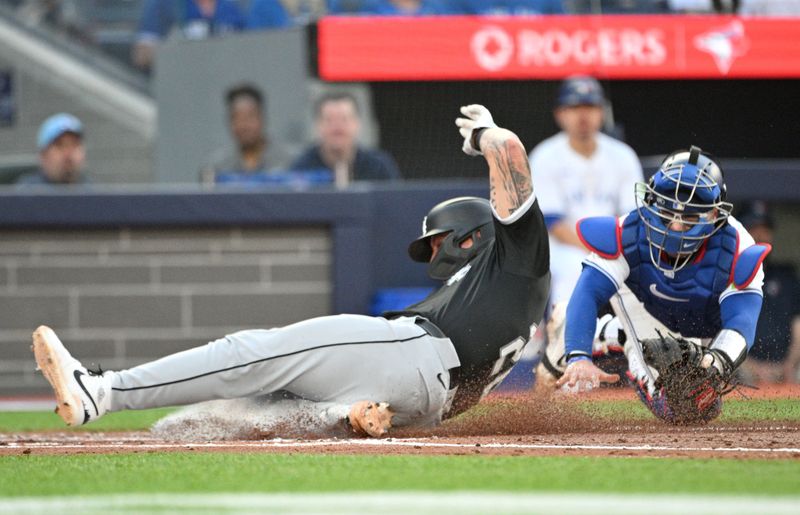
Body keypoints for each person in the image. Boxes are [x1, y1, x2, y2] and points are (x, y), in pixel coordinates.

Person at [32, 104, 550, 437]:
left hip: (412, 353)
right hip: (430, 401)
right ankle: (344, 415)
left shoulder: (514, 255)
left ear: (471, 233)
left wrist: (485, 132)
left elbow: (509, 153)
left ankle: (103, 390)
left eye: (438, 242)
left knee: (248, 353)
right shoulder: (509, 290)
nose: (434, 253)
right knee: (236, 417)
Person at [537, 146, 770, 424]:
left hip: (702, 322)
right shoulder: (628, 233)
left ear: (714, 216)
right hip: (643, 303)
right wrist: (578, 356)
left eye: (689, 217)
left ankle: (618, 335)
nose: (674, 226)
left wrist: (715, 363)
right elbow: (587, 293)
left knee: (703, 403)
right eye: (667, 212)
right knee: (680, 410)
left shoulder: (739, 250)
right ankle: (599, 334)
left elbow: (741, 323)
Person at [529, 76, 643, 307]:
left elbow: (634, 216)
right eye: (574, 107)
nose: (583, 116)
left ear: (602, 112)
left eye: (590, 107)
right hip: (562, 248)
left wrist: (614, 249)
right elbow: (553, 223)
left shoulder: (623, 155)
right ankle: (565, 341)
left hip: (615, 245)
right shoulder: (544, 156)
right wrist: (597, 250)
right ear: (560, 114)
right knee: (575, 268)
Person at [737, 202, 800, 384]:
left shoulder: (786, 276)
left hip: (789, 367)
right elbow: (715, 335)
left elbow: (798, 327)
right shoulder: (725, 278)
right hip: (743, 369)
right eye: (753, 229)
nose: (759, 236)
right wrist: (754, 368)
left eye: (765, 230)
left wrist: (790, 364)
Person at [289, 92, 401, 186]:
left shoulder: (378, 166)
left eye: (344, 119)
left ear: (357, 123)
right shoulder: (302, 168)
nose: (337, 127)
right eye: (329, 120)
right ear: (318, 125)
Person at [200, 83, 293, 184]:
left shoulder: (289, 162)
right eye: (237, 118)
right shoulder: (216, 167)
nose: (244, 126)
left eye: (250, 117)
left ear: (262, 118)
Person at [132, 0, 246, 71]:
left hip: (226, 82)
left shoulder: (232, 7)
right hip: (181, 84)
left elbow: (248, 49)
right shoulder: (164, 4)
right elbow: (142, 57)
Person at [15, 113, 88, 186]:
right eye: (60, 145)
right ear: (43, 155)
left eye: (74, 145)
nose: (68, 153)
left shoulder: (92, 191)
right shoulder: (26, 193)